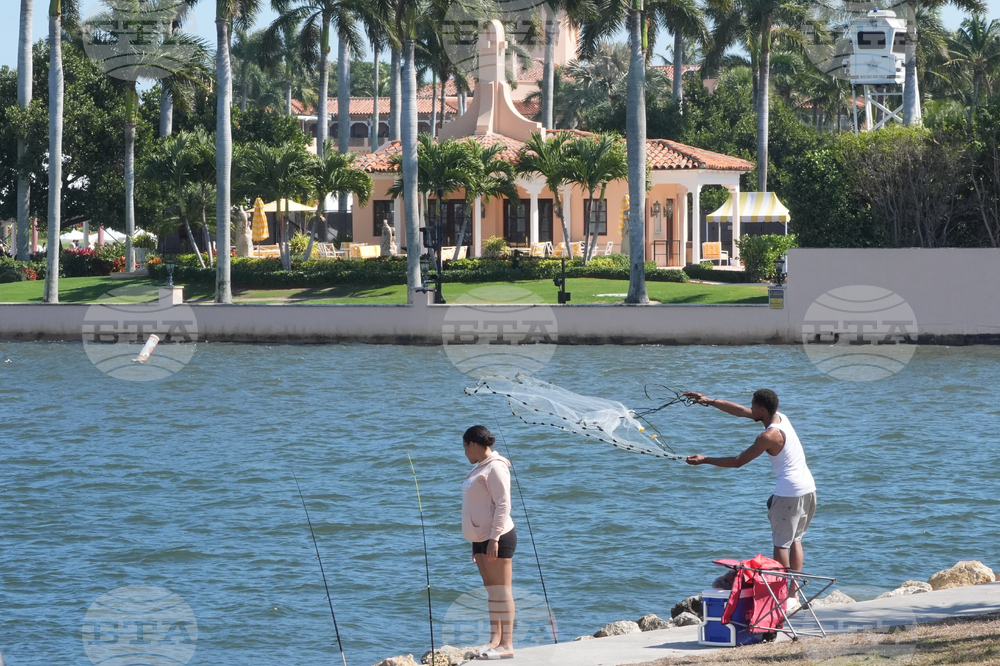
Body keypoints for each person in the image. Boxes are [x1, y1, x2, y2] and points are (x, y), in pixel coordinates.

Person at [684, 389, 816, 574]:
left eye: (753, 406)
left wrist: (705, 460)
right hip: (808, 489)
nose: (750, 408)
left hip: (789, 493)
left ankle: (781, 589)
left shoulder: (767, 437)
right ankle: (794, 590)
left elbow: (738, 461)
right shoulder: (780, 417)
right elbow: (739, 411)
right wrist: (708, 400)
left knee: (781, 545)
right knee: (795, 540)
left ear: (763, 410)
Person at [462, 425, 516, 660]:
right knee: (492, 591)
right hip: (481, 538)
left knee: (502, 591)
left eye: (465, 447)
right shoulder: (481, 467)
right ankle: (495, 639)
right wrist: (476, 542)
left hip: (498, 537)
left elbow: (504, 504)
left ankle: (507, 644)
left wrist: (494, 538)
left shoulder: (495, 467)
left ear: (473, 444)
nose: (465, 452)